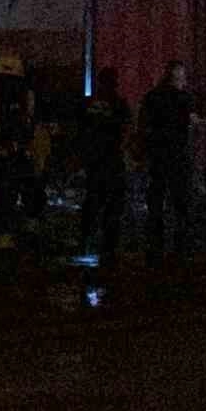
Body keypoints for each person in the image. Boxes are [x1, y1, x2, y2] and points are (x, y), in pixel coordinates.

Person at [0, 53, 44, 252]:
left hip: (19, 153)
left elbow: (30, 122)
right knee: (6, 192)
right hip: (6, 153)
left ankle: (23, 232)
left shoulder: (21, 96)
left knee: (27, 190)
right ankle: (8, 236)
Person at [140, 61, 195, 265]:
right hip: (176, 154)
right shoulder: (183, 98)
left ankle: (156, 240)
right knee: (180, 199)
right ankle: (180, 243)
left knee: (157, 197)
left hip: (160, 154)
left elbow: (144, 124)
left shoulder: (153, 96)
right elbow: (188, 123)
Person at [79, 67, 131, 266]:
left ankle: (86, 239)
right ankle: (108, 246)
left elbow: (82, 130)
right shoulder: (119, 103)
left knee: (93, 200)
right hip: (111, 158)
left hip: (95, 159)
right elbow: (126, 129)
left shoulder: (89, 103)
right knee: (112, 203)